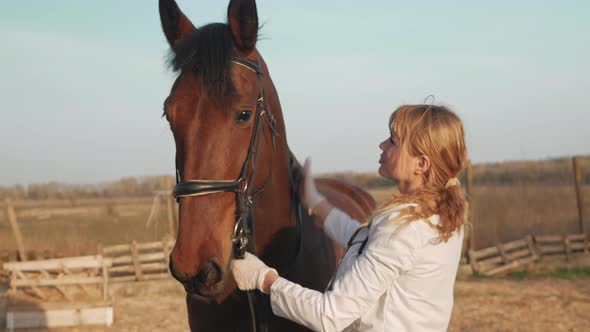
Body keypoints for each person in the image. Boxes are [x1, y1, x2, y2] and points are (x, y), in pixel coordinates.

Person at [231, 103, 468, 332]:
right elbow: (364, 241)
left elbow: (329, 316)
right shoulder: (437, 213)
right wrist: (318, 204)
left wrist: (265, 279)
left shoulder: (404, 227)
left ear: (421, 164)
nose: (382, 145)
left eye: (393, 141)